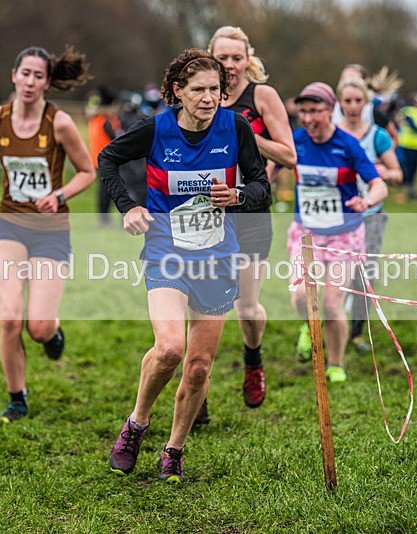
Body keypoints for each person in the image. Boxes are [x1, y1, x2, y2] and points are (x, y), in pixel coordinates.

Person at [99, 48, 269, 483]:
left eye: (216, 89)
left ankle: (173, 450)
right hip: (166, 251)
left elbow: (260, 185)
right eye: (199, 90)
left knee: (198, 367)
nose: (209, 98)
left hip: (217, 257)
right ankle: (137, 424)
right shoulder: (156, 129)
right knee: (171, 347)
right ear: (178, 91)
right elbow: (108, 159)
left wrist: (239, 197)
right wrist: (128, 207)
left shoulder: (237, 127)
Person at [0, 46, 96, 423]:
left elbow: (87, 171)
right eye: (25, 74)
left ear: (47, 83)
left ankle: (52, 333)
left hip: (51, 231)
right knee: (8, 319)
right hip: (8, 224)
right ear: (14, 75)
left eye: (39, 76)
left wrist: (59, 195)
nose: (30, 82)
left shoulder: (59, 123)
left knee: (37, 327)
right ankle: (17, 397)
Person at [205, 26, 296, 420]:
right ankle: (197, 387)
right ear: (210, 58)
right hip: (204, 213)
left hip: (250, 212)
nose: (229, 65)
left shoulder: (261, 96)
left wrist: (241, 133)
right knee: (201, 305)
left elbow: (289, 155)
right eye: (222, 58)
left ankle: (253, 359)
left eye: (236, 58)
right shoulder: (198, 94)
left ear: (248, 60)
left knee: (245, 306)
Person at [289, 82, 387, 383]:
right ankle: (308, 325)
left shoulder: (347, 144)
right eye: (303, 111)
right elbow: (268, 167)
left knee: (332, 303)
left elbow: (378, 184)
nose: (307, 118)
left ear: (330, 111)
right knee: (299, 298)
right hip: (306, 233)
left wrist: (367, 200)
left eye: (314, 111)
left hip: (344, 234)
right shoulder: (295, 141)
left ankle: (335, 363)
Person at [332, 76, 402, 355]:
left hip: (371, 215)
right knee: (336, 274)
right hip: (336, 218)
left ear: (367, 102)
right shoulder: (331, 134)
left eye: (358, 101)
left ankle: (358, 332)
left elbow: (398, 173)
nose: (352, 106)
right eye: (347, 101)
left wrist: (385, 173)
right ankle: (328, 327)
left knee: (364, 274)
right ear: (339, 103)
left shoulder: (378, 136)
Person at [87, 87, 122, 226]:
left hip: (98, 160)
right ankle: (106, 220)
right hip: (108, 161)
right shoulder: (106, 121)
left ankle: (104, 220)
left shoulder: (95, 119)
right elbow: (117, 139)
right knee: (109, 192)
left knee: (104, 192)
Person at [395, 92, 417, 200]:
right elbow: (415, 128)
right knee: (408, 168)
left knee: (415, 169)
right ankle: (407, 189)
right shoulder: (407, 111)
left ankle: (411, 189)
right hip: (408, 145)